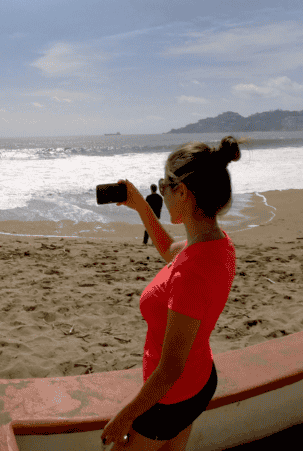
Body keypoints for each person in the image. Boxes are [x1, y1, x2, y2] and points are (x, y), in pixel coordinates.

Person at [100, 135, 241, 451]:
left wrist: (125, 416)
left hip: (170, 398)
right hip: (201, 381)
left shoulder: (192, 273)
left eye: (165, 185)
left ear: (184, 193)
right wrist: (139, 205)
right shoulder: (217, 243)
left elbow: (170, 369)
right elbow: (168, 249)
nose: (161, 191)